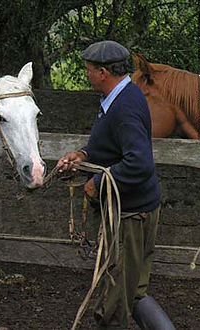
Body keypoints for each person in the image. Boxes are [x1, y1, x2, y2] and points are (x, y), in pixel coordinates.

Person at [56, 41, 175, 330]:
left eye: (88, 70)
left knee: (114, 302)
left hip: (131, 219)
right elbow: (111, 145)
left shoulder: (125, 107)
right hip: (135, 212)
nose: (85, 74)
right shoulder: (120, 98)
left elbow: (139, 163)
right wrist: (83, 156)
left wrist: (96, 184)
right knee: (133, 293)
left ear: (103, 72)